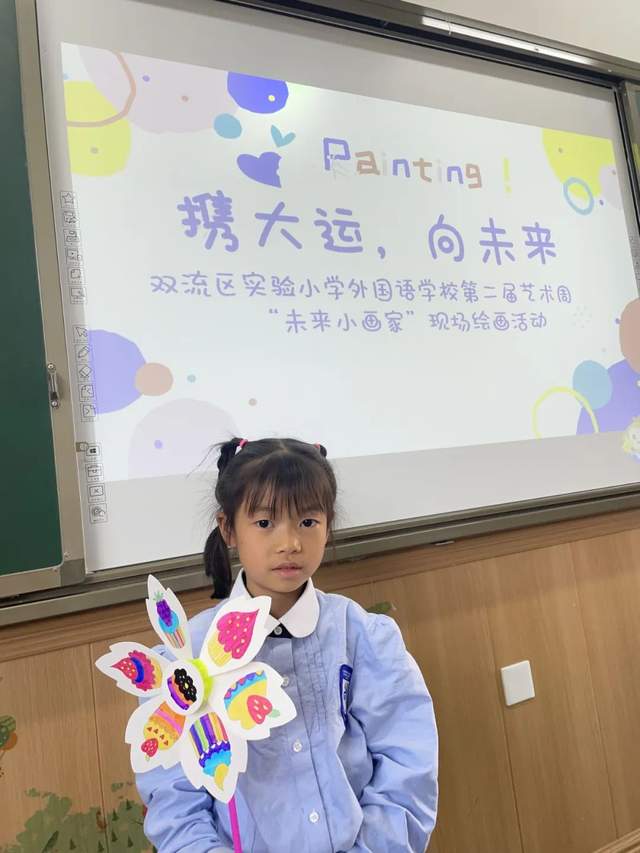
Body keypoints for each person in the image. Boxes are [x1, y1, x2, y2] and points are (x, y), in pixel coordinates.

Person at [136, 437, 438, 852]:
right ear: (228, 528)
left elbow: (408, 766)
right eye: (265, 523)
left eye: (308, 522)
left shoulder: (362, 636)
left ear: (328, 524)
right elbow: (175, 804)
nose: (290, 543)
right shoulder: (185, 659)